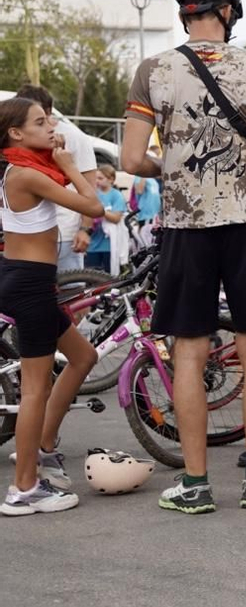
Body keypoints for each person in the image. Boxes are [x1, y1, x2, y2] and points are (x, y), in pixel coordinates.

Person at [121, 0, 246, 514]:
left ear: (183, 14)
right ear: (228, 13)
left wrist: (172, 170)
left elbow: (129, 160)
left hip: (184, 229)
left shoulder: (153, 70)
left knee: (190, 354)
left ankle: (194, 483)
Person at [0, 99, 102, 515]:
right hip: (30, 284)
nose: (51, 127)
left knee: (83, 356)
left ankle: (42, 446)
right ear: (16, 134)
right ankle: (24, 488)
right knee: (35, 390)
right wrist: (71, 164)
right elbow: (93, 205)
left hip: (23, 276)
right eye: (40, 122)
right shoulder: (26, 174)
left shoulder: (17, 167)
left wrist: (54, 155)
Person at [12, 85, 96, 271]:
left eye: (43, 119)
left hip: (64, 233)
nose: (49, 128)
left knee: (69, 293)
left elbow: (91, 191)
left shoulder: (75, 137)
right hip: (26, 236)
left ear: (49, 112)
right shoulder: (17, 159)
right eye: (37, 122)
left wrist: (85, 229)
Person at [83, 165, 127, 273]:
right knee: (90, 276)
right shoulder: (94, 194)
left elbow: (116, 218)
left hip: (109, 246)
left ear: (111, 179)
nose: (97, 181)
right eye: (96, 178)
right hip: (92, 245)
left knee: (107, 278)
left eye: (100, 178)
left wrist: (101, 211)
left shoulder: (116, 195)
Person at [130, 175, 161, 248]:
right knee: (144, 240)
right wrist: (143, 174)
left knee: (151, 240)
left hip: (154, 214)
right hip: (146, 214)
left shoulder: (152, 178)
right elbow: (139, 191)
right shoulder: (139, 176)